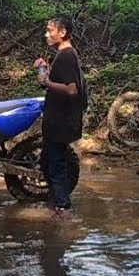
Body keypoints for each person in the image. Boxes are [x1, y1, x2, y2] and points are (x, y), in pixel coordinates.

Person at [33, 17, 86, 218]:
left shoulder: (66, 55)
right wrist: (46, 69)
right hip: (59, 121)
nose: (46, 34)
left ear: (63, 32)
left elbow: (71, 89)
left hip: (60, 122)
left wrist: (45, 82)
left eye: (50, 30)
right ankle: (55, 201)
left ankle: (64, 210)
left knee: (56, 166)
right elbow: (61, 80)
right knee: (48, 162)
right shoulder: (65, 55)